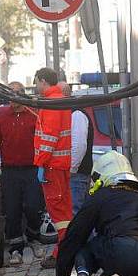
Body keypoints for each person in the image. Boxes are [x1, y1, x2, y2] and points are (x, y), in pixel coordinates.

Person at [0, 82, 45, 265]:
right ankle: (15, 250)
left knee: (34, 207)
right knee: (12, 211)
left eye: (18, 93)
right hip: (10, 172)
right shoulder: (2, 119)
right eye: (11, 94)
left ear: (23, 95)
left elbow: (43, 141)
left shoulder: (34, 117)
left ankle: (33, 237)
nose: (15, 98)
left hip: (31, 170)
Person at [33, 68, 73, 269]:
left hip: (52, 167)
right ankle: (65, 250)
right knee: (64, 212)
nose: (36, 87)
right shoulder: (59, 100)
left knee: (58, 214)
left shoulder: (51, 103)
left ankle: (63, 253)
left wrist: (40, 163)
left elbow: (49, 137)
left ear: (43, 81)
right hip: (60, 165)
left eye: (37, 83)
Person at [58, 81, 93, 214]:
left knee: (75, 214)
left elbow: (79, 145)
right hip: (71, 174)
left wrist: (71, 169)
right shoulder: (69, 112)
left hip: (76, 175)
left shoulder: (76, 114)